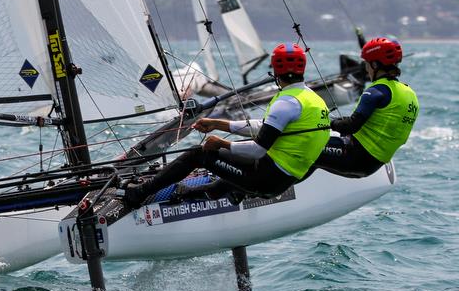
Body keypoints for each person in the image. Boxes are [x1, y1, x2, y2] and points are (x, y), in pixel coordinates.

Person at [122, 43, 331, 207]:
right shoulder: (311, 99)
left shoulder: (286, 102)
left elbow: (258, 150)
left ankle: (138, 194)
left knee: (199, 154)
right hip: (285, 177)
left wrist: (221, 144)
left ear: (275, 70)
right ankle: (209, 192)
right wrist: (218, 124)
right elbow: (264, 127)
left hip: (266, 179)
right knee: (235, 156)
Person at [309, 37, 418, 178]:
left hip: (354, 157)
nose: (366, 69)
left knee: (304, 145)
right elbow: (375, 123)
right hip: (373, 165)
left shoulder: (376, 91)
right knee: (315, 156)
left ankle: (279, 190)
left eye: (366, 64)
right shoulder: (410, 94)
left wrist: (327, 123)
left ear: (374, 65)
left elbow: (351, 126)